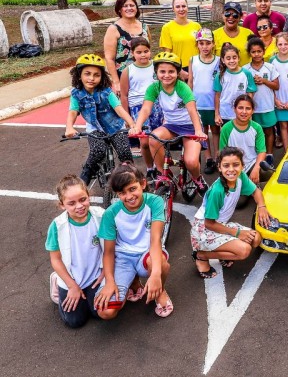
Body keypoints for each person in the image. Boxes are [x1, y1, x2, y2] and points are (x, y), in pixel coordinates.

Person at [95, 164, 172, 318]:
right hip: (124, 257)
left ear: (143, 184)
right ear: (117, 194)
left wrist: (156, 274)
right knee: (106, 312)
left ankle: (160, 291)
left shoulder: (155, 202)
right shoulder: (111, 213)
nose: (129, 196)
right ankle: (134, 283)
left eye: (132, 189)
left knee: (159, 265)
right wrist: (110, 281)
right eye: (122, 193)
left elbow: (155, 241)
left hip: (148, 253)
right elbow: (108, 252)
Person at [129, 51, 209, 194]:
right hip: (171, 125)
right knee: (152, 138)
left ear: (178, 72)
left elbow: (192, 110)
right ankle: (162, 174)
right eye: (162, 71)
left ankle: (198, 179)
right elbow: (146, 108)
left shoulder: (182, 87)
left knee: (191, 162)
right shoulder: (154, 88)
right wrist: (137, 126)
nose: (166, 75)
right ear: (156, 72)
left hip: (190, 126)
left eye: (171, 71)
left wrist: (198, 130)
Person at [190, 147, 270, 278]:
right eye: (226, 165)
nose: (231, 169)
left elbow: (256, 191)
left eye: (236, 165)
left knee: (256, 239)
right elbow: (209, 223)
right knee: (244, 250)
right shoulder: (217, 191)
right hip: (204, 230)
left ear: (242, 166)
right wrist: (238, 233)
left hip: (220, 225)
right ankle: (201, 255)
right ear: (219, 168)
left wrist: (261, 206)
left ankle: (223, 251)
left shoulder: (241, 177)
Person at [64, 54, 136, 185]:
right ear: (79, 74)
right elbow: (73, 111)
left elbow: (119, 108)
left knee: (124, 152)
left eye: (96, 75)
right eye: (87, 74)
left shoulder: (107, 92)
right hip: (95, 128)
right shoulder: (76, 94)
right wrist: (69, 127)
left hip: (115, 127)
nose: (91, 78)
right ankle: (85, 176)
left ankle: (132, 178)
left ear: (102, 76)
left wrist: (132, 124)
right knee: (97, 151)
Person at [46, 175, 105, 328]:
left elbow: (111, 248)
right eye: (71, 203)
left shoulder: (100, 216)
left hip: (94, 276)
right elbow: (56, 259)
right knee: (75, 322)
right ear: (61, 205)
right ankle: (57, 282)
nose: (79, 206)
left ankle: (86, 297)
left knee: (100, 313)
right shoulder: (57, 226)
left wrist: (106, 271)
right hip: (72, 278)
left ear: (88, 196)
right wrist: (71, 286)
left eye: (83, 199)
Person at [119, 37, 160, 174]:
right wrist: (127, 117)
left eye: (146, 51)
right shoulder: (128, 71)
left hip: (158, 106)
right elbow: (124, 95)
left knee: (159, 140)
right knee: (144, 142)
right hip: (138, 108)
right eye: (139, 52)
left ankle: (160, 168)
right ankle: (150, 168)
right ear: (132, 53)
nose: (143, 54)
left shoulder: (157, 66)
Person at [244, 37, 280, 168]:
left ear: (263, 52)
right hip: (251, 108)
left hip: (267, 106)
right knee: (254, 133)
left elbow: (276, 86)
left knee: (269, 131)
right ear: (250, 53)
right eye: (253, 52)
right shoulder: (245, 69)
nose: (257, 54)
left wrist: (264, 81)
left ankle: (269, 155)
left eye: (259, 51)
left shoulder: (270, 67)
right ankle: (257, 155)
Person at [189, 28, 221, 175]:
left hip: (213, 102)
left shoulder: (219, 61)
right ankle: (208, 158)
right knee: (203, 131)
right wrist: (188, 101)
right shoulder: (193, 60)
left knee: (215, 130)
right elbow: (190, 81)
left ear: (213, 44)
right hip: (198, 102)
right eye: (201, 43)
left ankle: (217, 157)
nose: (204, 46)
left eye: (208, 43)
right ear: (197, 45)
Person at [103, 0, 150, 94]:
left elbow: (148, 50)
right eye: (125, 6)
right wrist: (116, 82)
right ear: (119, 9)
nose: (129, 8)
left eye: (132, 5)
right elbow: (109, 58)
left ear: (136, 8)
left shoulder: (144, 27)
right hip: (125, 77)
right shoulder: (114, 29)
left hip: (145, 74)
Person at [219, 95, 266, 184]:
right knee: (238, 195)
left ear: (253, 111)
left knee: (271, 174)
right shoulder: (226, 128)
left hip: (252, 165)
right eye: (240, 108)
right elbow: (222, 155)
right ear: (234, 109)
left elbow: (262, 151)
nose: (244, 112)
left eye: (248, 108)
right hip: (233, 168)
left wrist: (256, 169)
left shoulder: (257, 128)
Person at [159, 0, 201, 81]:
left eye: (183, 6)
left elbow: (202, 48)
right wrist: (179, 71)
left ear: (187, 7)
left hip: (197, 67)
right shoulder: (167, 28)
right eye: (177, 7)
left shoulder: (196, 26)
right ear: (173, 9)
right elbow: (167, 54)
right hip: (179, 68)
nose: (181, 9)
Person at [213, 43, 256, 126]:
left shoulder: (246, 73)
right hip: (225, 113)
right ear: (223, 60)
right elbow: (217, 96)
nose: (232, 61)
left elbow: (250, 94)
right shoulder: (220, 76)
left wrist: (249, 113)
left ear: (238, 58)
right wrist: (217, 114)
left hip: (243, 114)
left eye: (234, 57)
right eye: (228, 58)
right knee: (228, 137)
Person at [213, 2, 254, 67]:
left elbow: (256, 55)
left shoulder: (249, 34)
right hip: (223, 75)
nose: (231, 17)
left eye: (235, 15)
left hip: (245, 75)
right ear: (222, 15)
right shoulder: (214, 35)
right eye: (227, 14)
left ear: (240, 16)